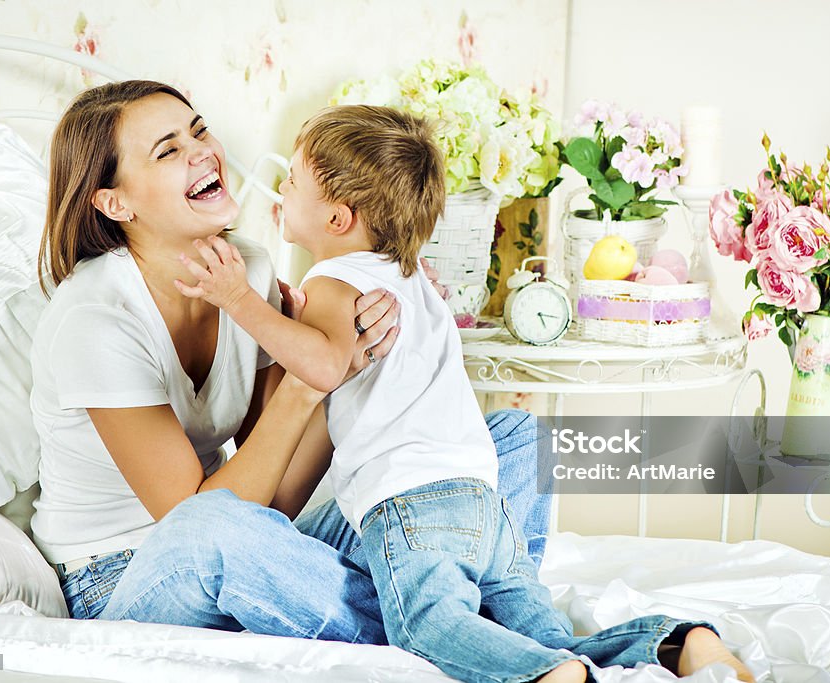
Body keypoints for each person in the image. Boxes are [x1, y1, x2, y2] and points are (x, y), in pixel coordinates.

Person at [176, 104, 754, 683]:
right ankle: (680, 645)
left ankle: (539, 677)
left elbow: (326, 365)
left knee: (424, 627)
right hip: (482, 498)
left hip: (410, 504)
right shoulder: (408, 278)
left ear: (338, 218)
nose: (281, 188)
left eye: (294, 182)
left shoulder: (334, 278)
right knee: (539, 630)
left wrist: (237, 300)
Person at [30, 80, 548, 645]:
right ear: (114, 202)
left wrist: (349, 369)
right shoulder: (96, 318)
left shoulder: (248, 271)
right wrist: (307, 385)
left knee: (521, 439)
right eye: (168, 149)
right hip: (130, 572)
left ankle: (455, 609)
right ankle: (442, 621)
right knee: (215, 529)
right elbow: (196, 519)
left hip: (250, 536)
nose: (201, 150)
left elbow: (274, 499)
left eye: (198, 130)